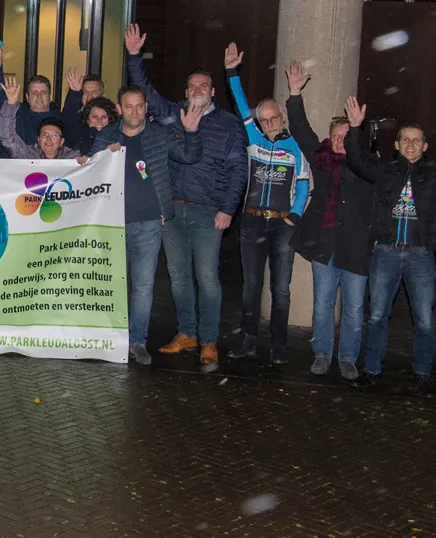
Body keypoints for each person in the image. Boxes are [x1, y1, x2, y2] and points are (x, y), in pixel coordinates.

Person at [124, 24, 247, 367]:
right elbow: (144, 91)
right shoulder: (172, 115)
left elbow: (239, 171)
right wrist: (134, 56)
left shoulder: (229, 125)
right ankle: (187, 332)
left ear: (212, 91)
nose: (197, 90)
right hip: (172, 211)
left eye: (203, 86)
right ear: (186, 91)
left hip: (210, 212)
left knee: (207, 277)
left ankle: (209, 340)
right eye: (191, 86)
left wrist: (228, 209)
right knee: (178, 277)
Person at [344, 95, 436, 394]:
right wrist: (355, 128)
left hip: (421, 256)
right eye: (405, 140)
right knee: (376, 316)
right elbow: (357, 160)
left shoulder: (434, 173)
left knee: (424, 320)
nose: (411, 145)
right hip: (386, 251)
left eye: (417, 140)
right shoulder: (386, 170)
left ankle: (423, 373)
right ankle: (372, 369)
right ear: (396, 145)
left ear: (425, 146)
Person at [90, 86, 205, 365]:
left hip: (149, 225)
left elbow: (190, 157)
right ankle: (111, 339)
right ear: (119, 109)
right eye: (128, 106)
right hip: (112, 225)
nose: (134, 111)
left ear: (145, 107)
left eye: (139, 106)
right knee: (111, 286)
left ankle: (138, 341)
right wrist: (101, 156)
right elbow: (91, 173)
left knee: (143, 287)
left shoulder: (160, 135)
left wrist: (191, 132)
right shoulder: (106, 135)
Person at [223, 47, 314, 366]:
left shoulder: (297, 146)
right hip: (251, 223)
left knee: (281, 288)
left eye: (275, 117)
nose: (270, 122)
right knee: (251, 286)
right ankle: (247, 339)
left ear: (283, 116)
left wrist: (293, 218)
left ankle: (278, 343)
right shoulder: (254, 139)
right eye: (264, 120)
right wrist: (232, 72)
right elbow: (240, 103)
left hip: (282, 226)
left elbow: (304, 185)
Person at [294, 114, 373, 380]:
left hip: (356, 247)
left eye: (346, 136)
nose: (341, 141)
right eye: (336, 135)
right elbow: (302, 130)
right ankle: (322, 354)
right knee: (322, 304)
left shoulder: (366, 166)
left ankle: (348, 358)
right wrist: (294, 95)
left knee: (353, 308)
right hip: (325, 244)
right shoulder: (322, 162)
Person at [0, 76, 74, 160]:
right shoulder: (29, 155)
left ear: (62, 141)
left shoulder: (72, 158)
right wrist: (11, 104)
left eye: (54, 135)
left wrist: (86, 162)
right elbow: (8, 138)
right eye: (44, 134)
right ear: (38, 139)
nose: (39, 96)